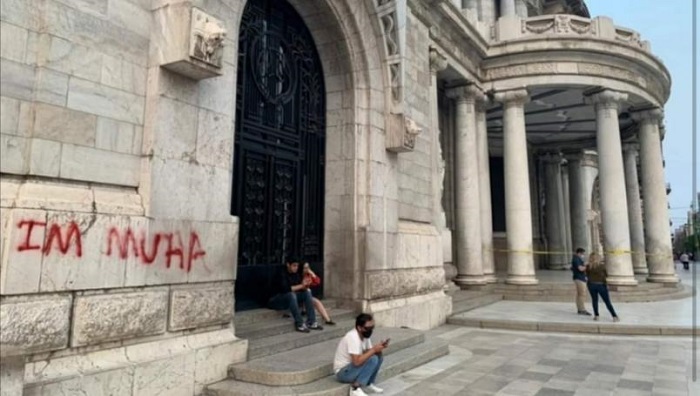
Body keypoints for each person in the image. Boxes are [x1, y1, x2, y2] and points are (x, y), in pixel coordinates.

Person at [333, 313, 387, 396]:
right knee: (373, 358)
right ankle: (355, 388)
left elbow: (367, 352)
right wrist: (373, 350)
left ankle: (369, 383)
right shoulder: (352, 337)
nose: (370, 330)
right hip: (343, 372)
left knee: (378, 357)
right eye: (368, 328)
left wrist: (379, 349)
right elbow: (356, 362)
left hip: (352, 368)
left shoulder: (365, 335)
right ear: (359, 327)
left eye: (372, 327)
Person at [268, 257, 323, 333]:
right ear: (288, 265)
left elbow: (300, 288)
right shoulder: (281, 273)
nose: (296, 268)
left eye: (297, 266)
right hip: (275, 300)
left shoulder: (296, 274)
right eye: (294, 266)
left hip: (288, 300)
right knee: (291, 295)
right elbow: (286, 289)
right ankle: (299, 324)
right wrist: (302, 285)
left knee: (307, 293)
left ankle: (311, 322)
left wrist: (306, 285)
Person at [585, 252, 619, 322]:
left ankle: (596, 315)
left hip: (591, 285)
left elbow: (587, 275)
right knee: (607, 301)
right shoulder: (602, 266)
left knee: (594, 300)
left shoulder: (588, 266)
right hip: (601, 285)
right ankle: (614, 316)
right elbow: (605, 275)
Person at [571, 248, 591, 316]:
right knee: (582, 294)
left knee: (579, 294)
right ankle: (582, 309)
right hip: (579, 278)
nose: (583, 255)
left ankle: (580, 308)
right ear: (579, 253)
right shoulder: (576, 259)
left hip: (580, 278)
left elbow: (581, 264)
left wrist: (585, 263)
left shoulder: (578, 259)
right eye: (582, 254)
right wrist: (586, 266)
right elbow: (580, 268)